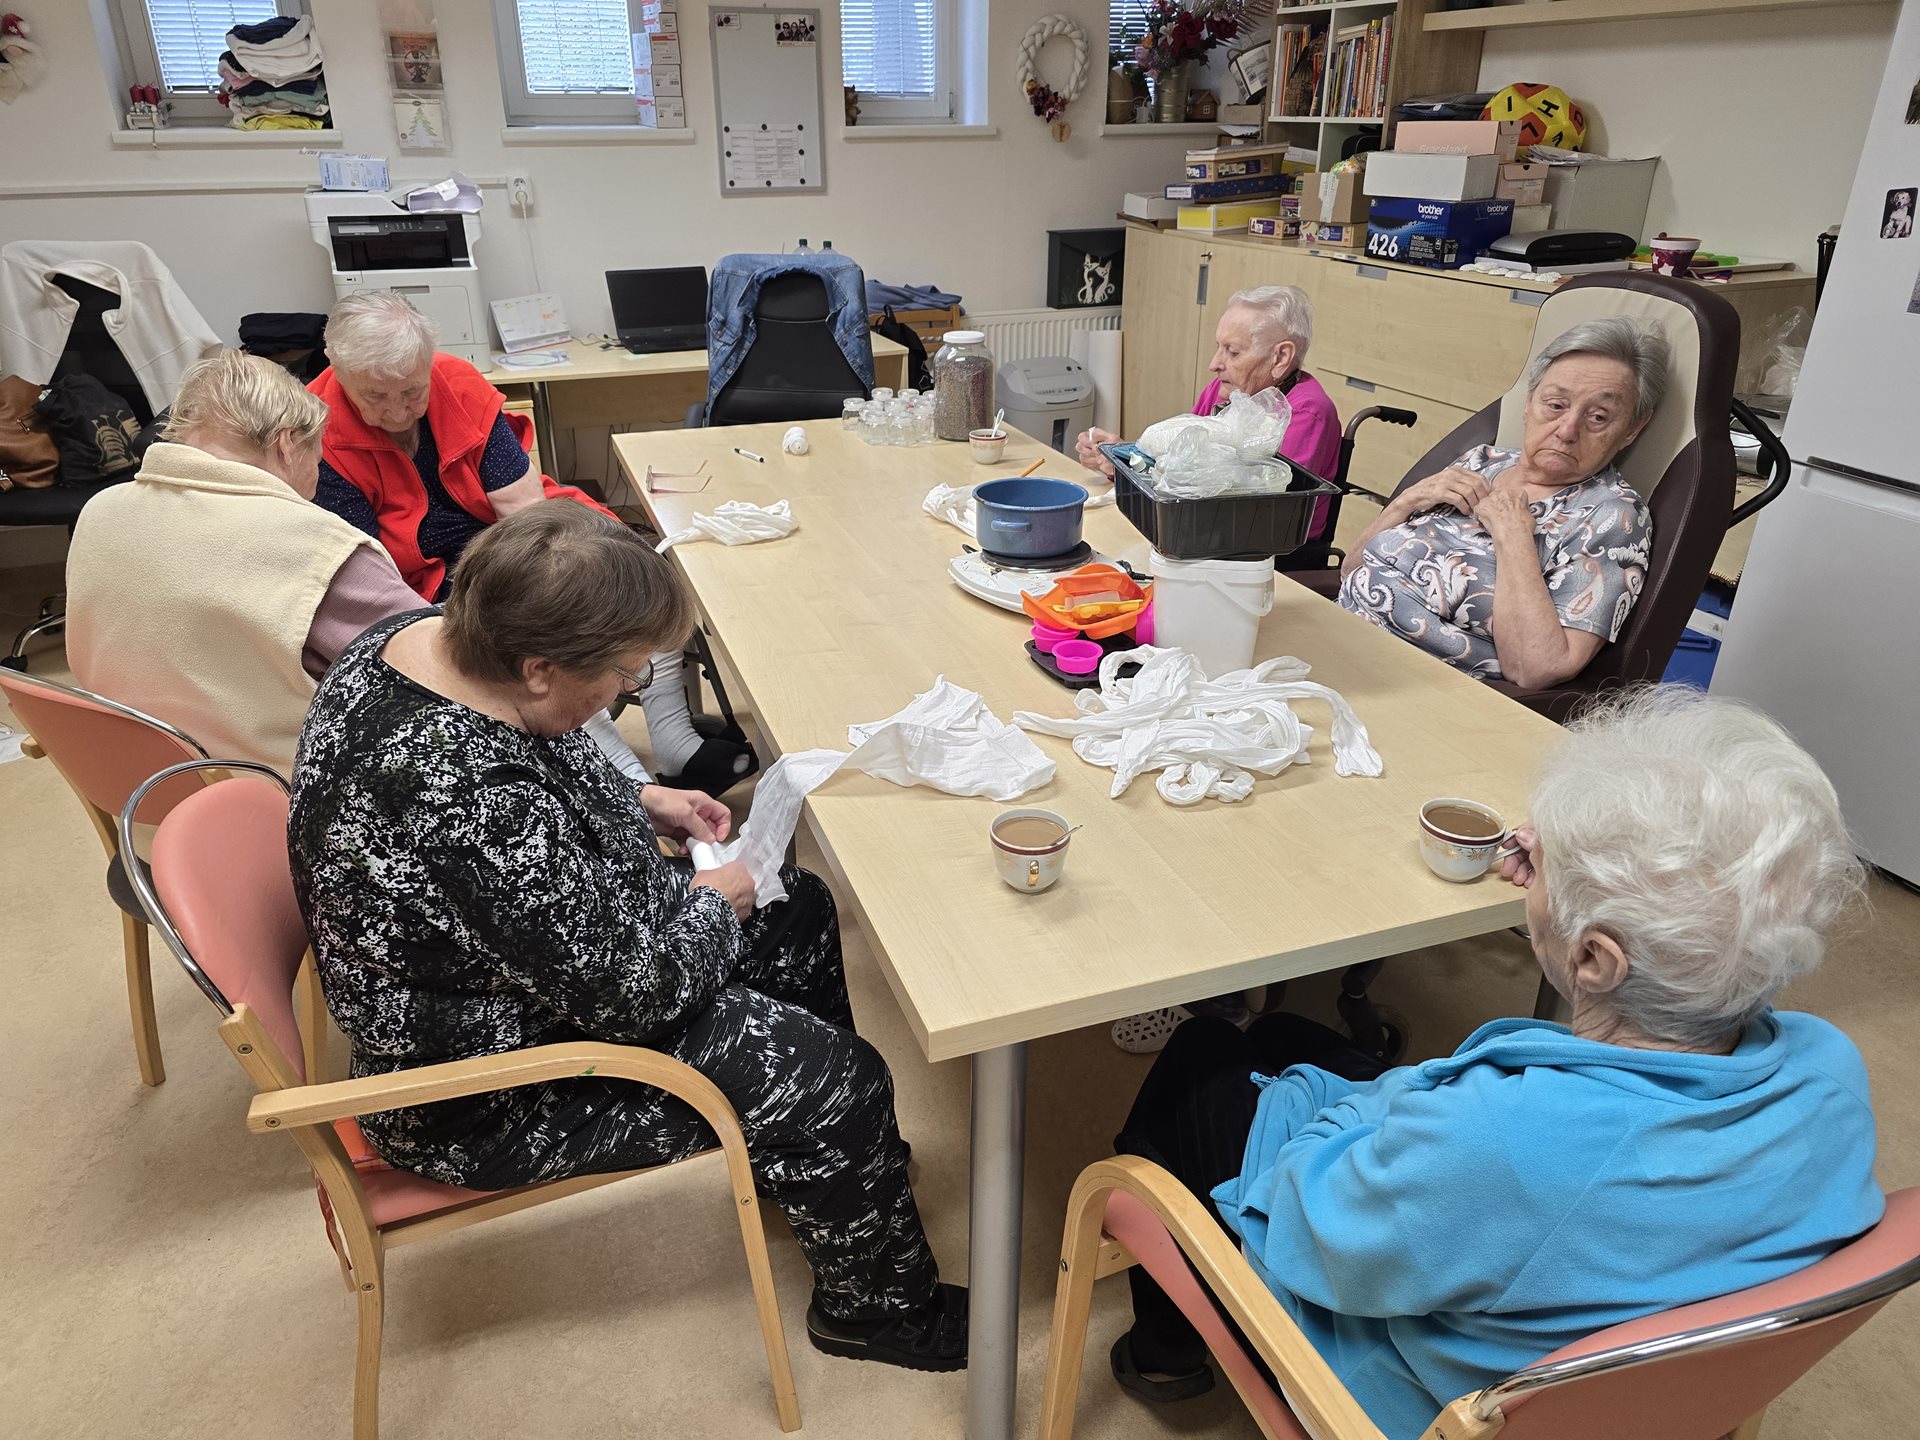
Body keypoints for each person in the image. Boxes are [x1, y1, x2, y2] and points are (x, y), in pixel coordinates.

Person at [287, 500, 967, 1372]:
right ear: (539, 668)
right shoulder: (461, 796)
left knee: (795, 909)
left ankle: (820, 1160)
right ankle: (876, 1314)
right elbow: (628, 998)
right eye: (621, 674)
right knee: (835, 1076)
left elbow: (539, 761)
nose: (625, 691)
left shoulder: (424, 638)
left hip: (531, 970)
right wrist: (713, 906)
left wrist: (644, 800)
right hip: (476, 1087)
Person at [1108, 687, 1880, 1440]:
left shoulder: (1500, 1136)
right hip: (1605, 1320)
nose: (1528, 867)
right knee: (1282, 1038)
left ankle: (1165, 1355)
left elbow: (1308, 1228)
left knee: (1203, 1056)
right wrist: (1564, 878)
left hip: (1392, 1392)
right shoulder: (1829, 1071)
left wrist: (1369, 1104)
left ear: (1593, 959)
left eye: (1546, 872)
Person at [63, 350, 646, 779]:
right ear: (288, 445)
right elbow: (470, 680)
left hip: (142, 794)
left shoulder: (100, 512)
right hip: (281, 808)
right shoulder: (312, 547)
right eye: (317, 458)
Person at [309, 291, 756, 793]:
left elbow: (523, 511)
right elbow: (370, 569)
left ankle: (675, 742)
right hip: (422, 575)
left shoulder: (456, 381)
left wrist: (568, 584)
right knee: (546, 639)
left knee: (634, 580)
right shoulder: (318, 429)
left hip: (511, 532)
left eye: (412, 392)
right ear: (336, 369)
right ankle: (625, 780)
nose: (397, 411)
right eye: (375, 397)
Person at [1338, 318, 1665, 688]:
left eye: (1598, 417)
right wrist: (1408, 500)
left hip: (1410, 683)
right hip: (1339, 633)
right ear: (1528, 403)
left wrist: (1514, 535)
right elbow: (1351, 571)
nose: (1567, 430)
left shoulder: (1614, 516)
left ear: (1632, 429)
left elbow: (1537, 668)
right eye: (1556, 405)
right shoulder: (1482, 460)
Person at [1074, 285, 1343, 540]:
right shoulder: (1226, 390)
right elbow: (1181, 463)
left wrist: (1138, 473)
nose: (1214, 364)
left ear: (1281, 357)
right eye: (1219, 347)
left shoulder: (1306, 413)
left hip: (1266, 548)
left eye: (1232, 352)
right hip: (1207, 527)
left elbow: (1262, 510)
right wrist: (1126, 461)